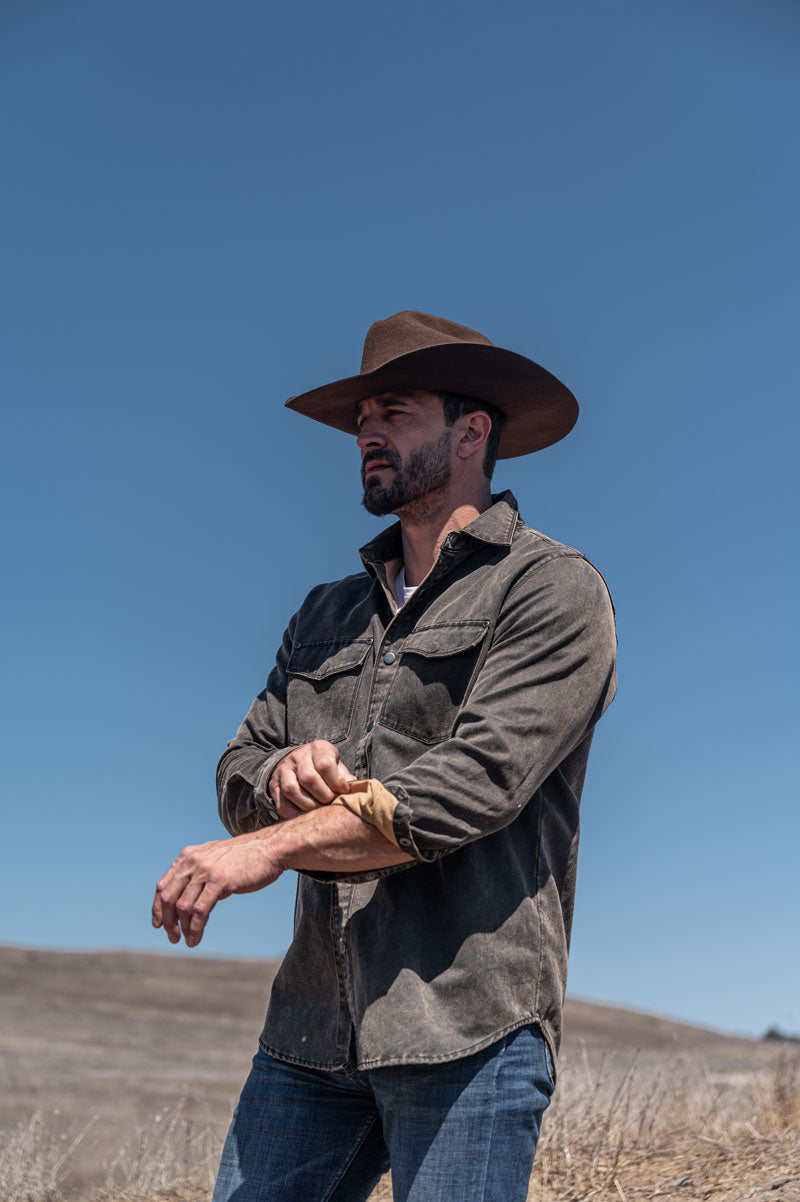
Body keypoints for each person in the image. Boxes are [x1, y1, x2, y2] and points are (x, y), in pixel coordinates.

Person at [152, 310, 618, 1202]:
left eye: (395, 412)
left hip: (467, 1030)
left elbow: (468, 788)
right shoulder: (323, 614)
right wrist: (276, 781)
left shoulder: (553, 589)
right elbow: (238, 764)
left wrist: (271, 846)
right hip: (309, 1035)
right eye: (363, 417)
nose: (367, 433)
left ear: (472, 431)